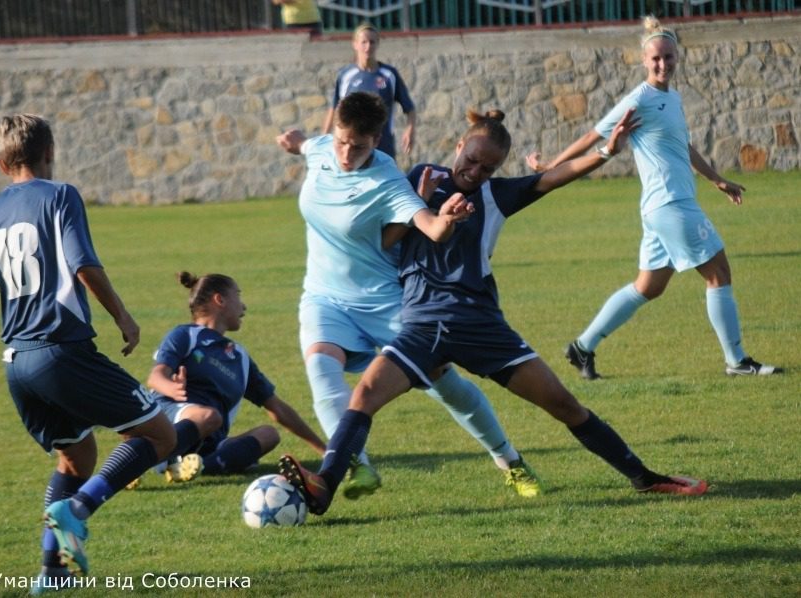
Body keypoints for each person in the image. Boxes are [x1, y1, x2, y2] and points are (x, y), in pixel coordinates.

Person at [279, 105, 711, 517]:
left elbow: (553, 177)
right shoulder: (415, 178)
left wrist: (604, 152)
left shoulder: (496, 196)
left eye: (488, 168)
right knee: (365, 396)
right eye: (471, 160)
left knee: (563, 404)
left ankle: (643, 477)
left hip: (480, 325)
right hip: (422, 323)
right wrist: (428, 206)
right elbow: (389, 238)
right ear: (458, 148)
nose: (475, 172)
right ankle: (325, 485)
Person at [0, 114, 203, 590]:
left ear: (0, 164)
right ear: (50, 152)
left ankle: (51, 572)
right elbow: (83, 265)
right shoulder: (60, 196)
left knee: (77, 457)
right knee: (162, 437)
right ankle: (77, 510)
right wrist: (122, 316)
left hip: (17, 365)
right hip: (62, 354)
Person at [277, 90, 543, 503]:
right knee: (321, 372)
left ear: (377, 139)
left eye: (359, 146)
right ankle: (355, 464)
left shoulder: (387, 180)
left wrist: (445, 218)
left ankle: (508, 459)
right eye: (342, 141)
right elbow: (307, 144)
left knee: (445, 386)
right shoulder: (321, 149)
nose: (347, 153)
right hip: (324, 296)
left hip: (387, 300)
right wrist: (294, 141)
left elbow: (430, 226)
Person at [527, 16, 782, 380]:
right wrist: (550, 165)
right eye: (656, 59)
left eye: (669, 57)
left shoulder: (672, 97)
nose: (663, 64)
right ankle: (737, 361)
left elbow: (684, 146)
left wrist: (716, 180)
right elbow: (593, 134)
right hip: (670, 206)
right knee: (719, 273)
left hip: (663, 207)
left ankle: (582, 347)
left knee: (648, 287)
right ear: (644, 61)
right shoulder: (640, 99)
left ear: (677, 57)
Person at [135, 271, 325, 486]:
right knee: (208, 416)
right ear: (220, 300)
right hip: (171, 421)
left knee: (269, 434)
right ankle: (142, 459)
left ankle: (198, 466)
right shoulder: (186, 335)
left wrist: (325, 450)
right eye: (239, 296)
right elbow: (156, 376)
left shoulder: (239, 357)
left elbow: (277, 408)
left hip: (210, 442)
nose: (244, 307)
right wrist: (172, 388)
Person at [321, 22, 416, 159]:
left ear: (377, 44)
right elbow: (334, 109)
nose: (368, 46)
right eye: (364, 42)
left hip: (383, 147)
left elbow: (409, 108)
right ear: (355, 44)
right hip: (351, 150)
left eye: (372, 42)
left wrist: (410, 130)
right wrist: (324, 138)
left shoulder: (389, 75)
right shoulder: (346, 75)